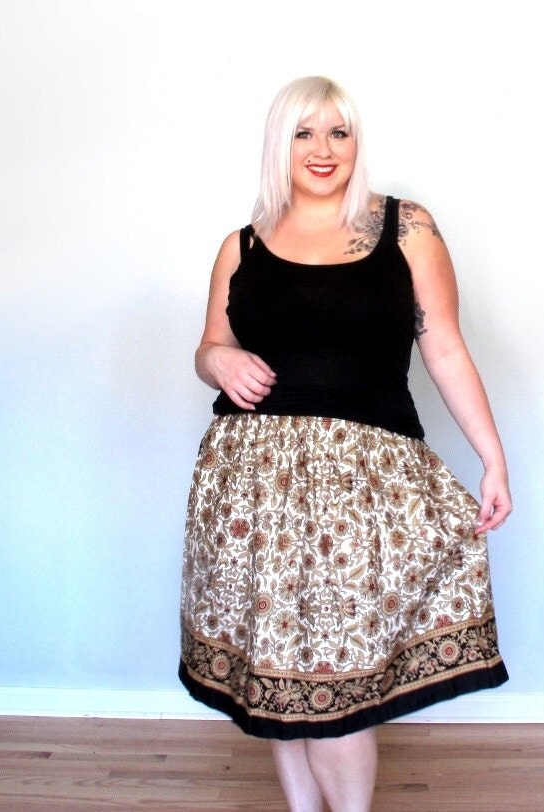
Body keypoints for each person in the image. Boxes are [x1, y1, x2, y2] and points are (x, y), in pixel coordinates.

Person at [179, 75, 512, 812]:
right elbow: (208, 347)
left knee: (335, 683)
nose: (323, 149)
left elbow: (444, 347)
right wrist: (219, 361)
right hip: (251, 486)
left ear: (357, 142)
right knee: (277, 674)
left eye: (339, 132)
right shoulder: (241, 245)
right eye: (304, 133)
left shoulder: (406, 228)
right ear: (281, 144)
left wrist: (492, 458)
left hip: (362, 487)